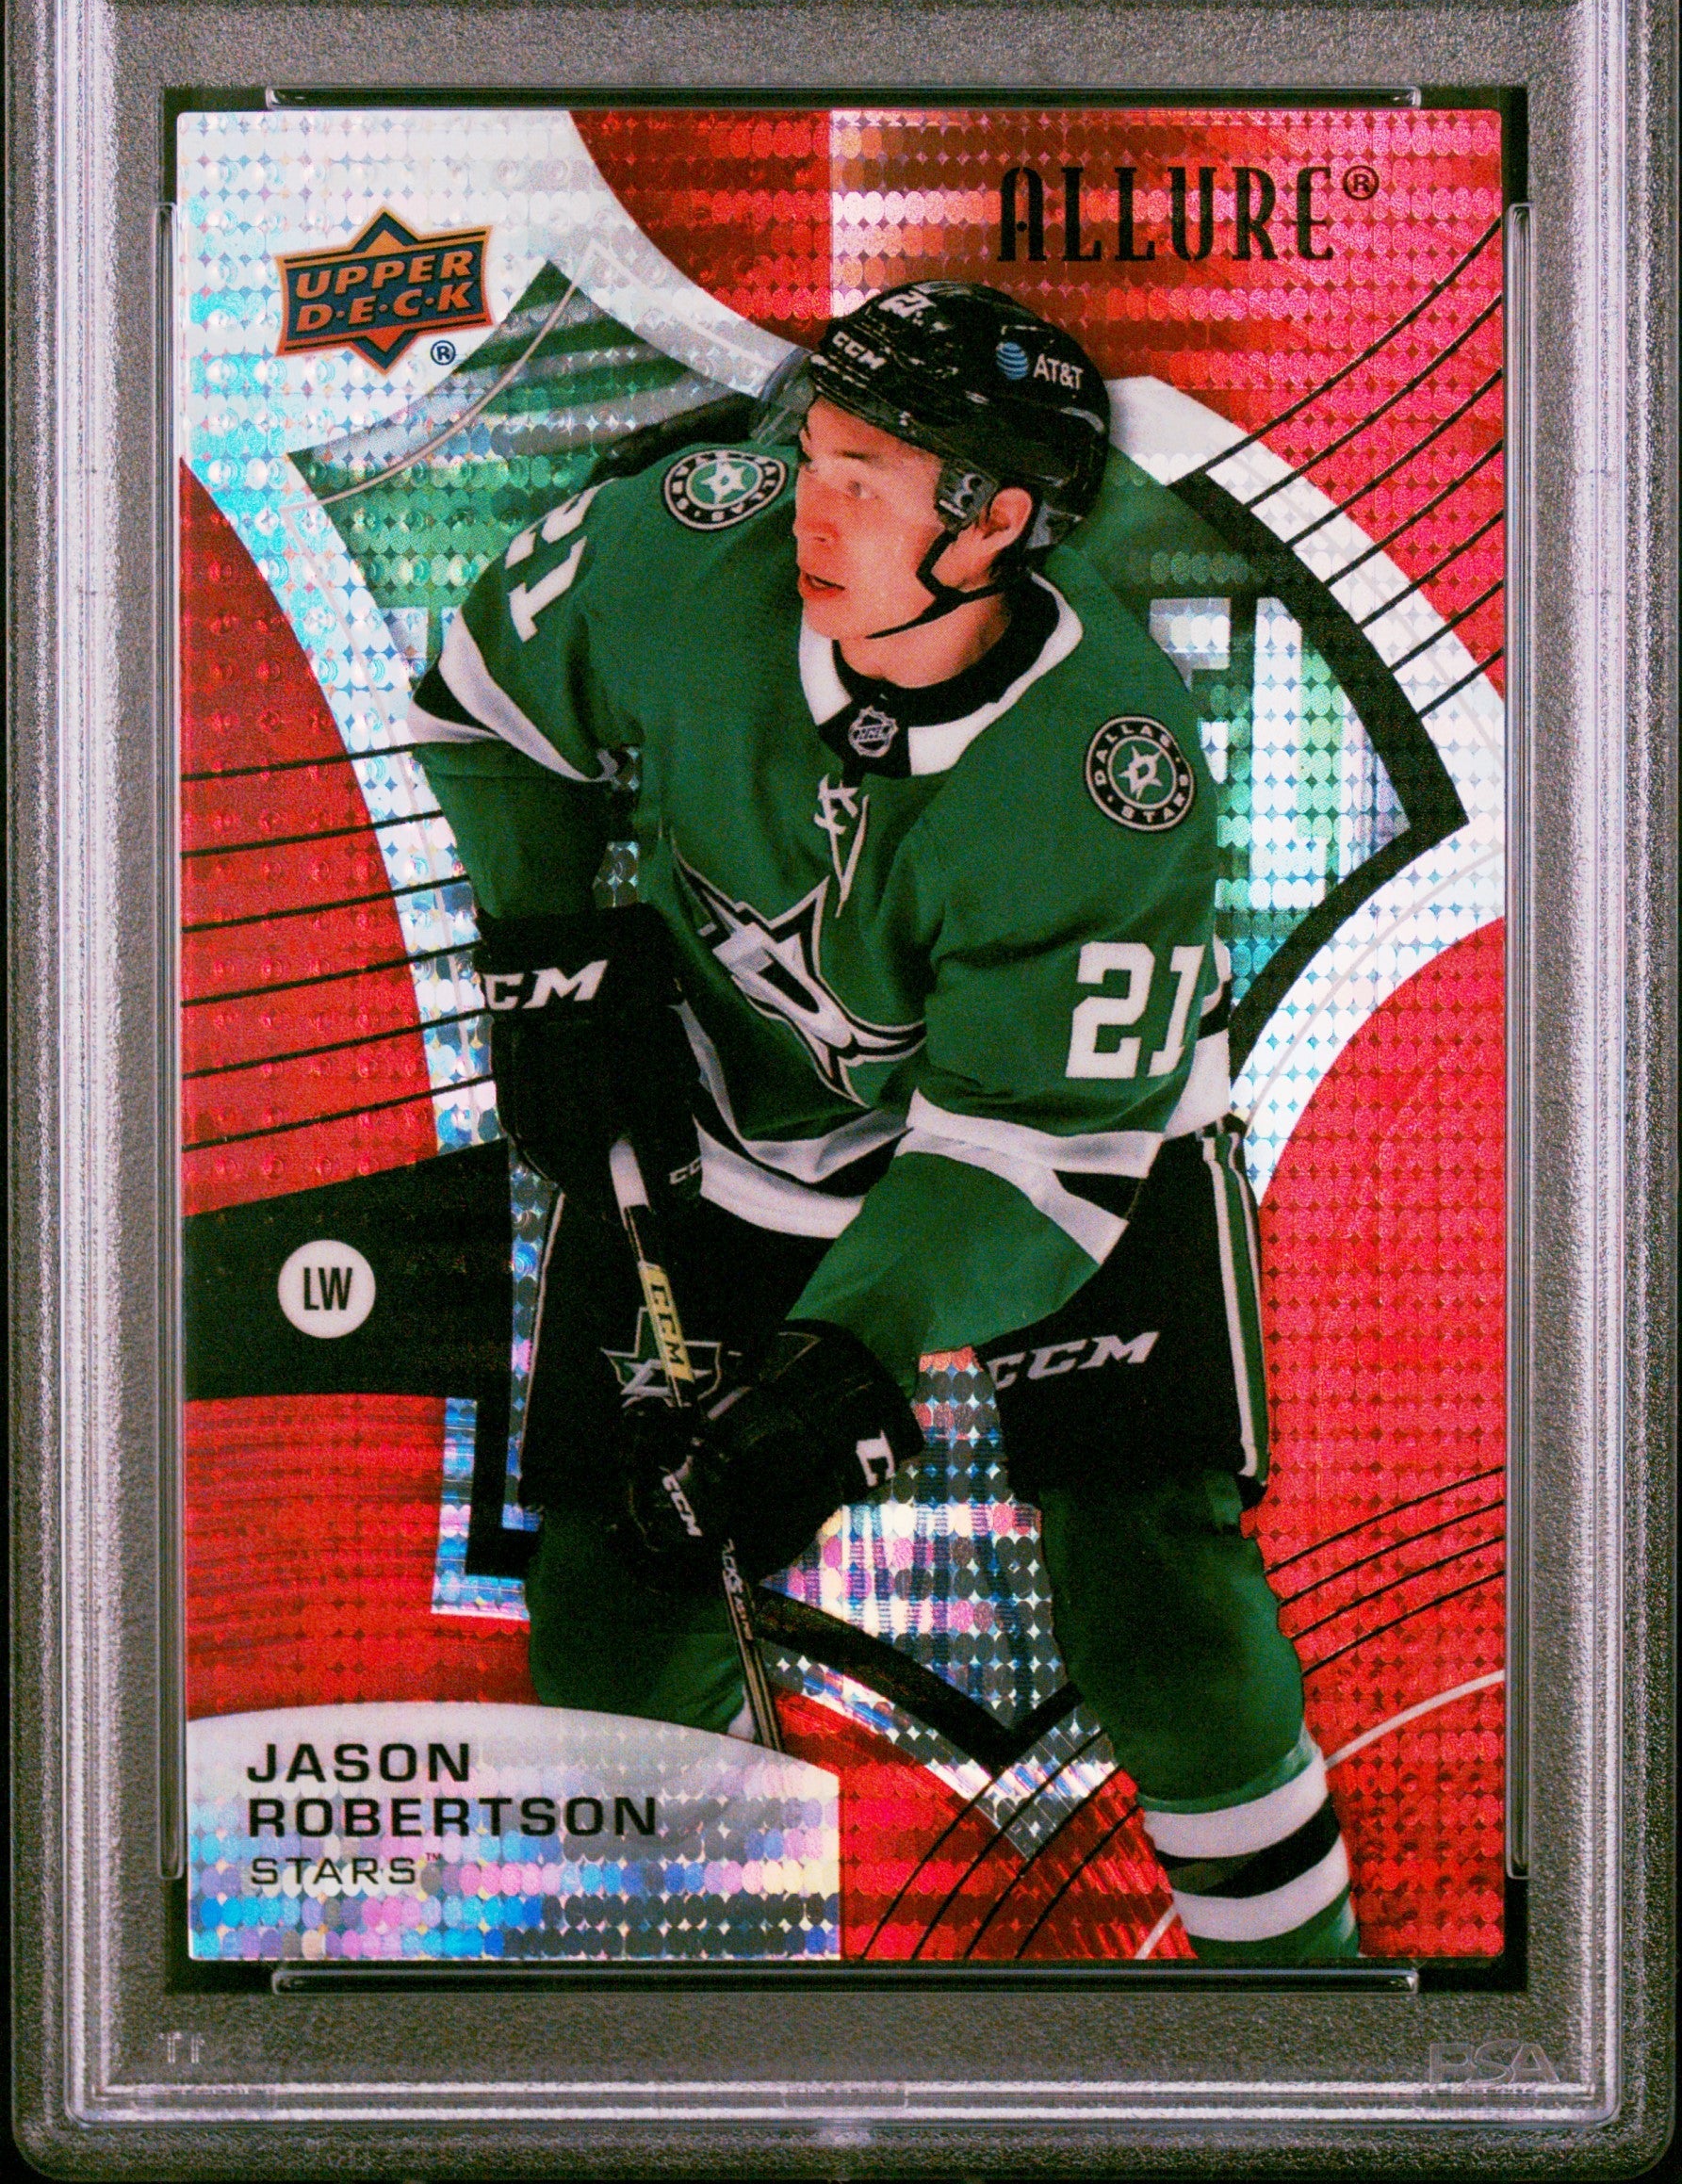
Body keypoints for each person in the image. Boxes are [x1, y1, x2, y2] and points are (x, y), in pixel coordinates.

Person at [409, 279, 1360, 1966]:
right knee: (620, 1612)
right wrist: (545, 944)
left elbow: (1025, 1157)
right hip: (727, 1117)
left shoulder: (1105, 772)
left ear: (993, 523)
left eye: (865, 476)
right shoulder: (683, 541)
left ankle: (1299, 2004)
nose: (808, 503)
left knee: (1157, 1587)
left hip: (1077, 1147)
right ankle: (693, 2024)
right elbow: (488, 701)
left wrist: (844, 1366)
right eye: (814, 452)